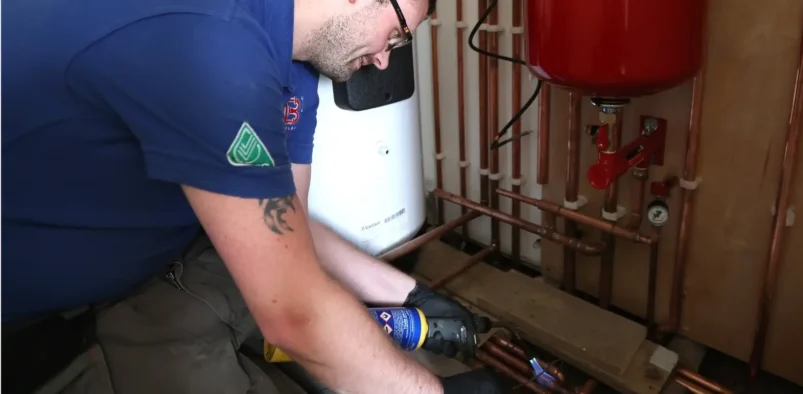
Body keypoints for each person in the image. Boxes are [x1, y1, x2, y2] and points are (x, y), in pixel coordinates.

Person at [0, 0, 503, 393]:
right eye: (396, 34)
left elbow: (289, 221)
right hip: (36, 324)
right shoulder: (210, 41)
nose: (383, 58)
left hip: (153, 259)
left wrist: (409, 295)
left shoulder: (294, 64)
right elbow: (296, 312)